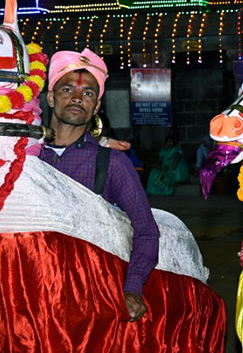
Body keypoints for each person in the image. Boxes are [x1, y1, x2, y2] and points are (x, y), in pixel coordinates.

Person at [40, 49, 160, 321]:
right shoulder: (27, 157)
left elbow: (146, 231)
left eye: (89, 93)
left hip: (92, 298)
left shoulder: (113, 163)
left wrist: (132, 289)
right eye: (67, 88)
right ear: (50, 97)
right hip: (35, 295)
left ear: (95, 107)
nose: (77, 97)